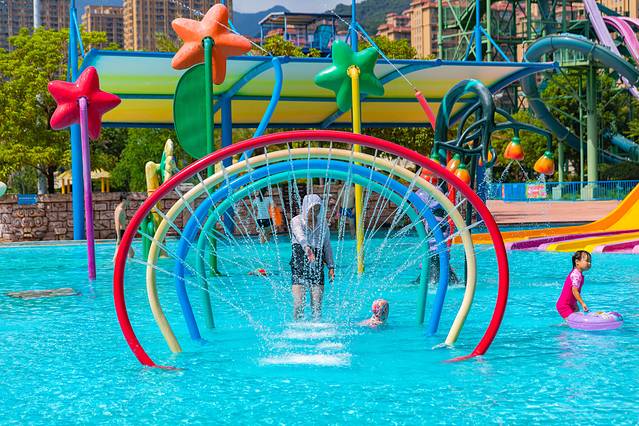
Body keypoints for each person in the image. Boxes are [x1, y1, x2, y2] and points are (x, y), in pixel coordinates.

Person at [290, 194, 335, 321]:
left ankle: (317, 327)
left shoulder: (323, 224)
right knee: (299, 304)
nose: (314, 212)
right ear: (305, 208)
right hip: (299, 264)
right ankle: (297, 327)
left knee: (317, 306)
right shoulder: (297, 221)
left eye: (317, 209)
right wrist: (307, 248)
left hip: (317, 265)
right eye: (311, 209)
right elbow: (299, 235)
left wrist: (331, 266)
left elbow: (327, 246)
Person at [556, 250, 591, 319]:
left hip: (572, 304)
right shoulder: (575, 275)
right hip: (564, 305)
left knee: (577, 321)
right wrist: (582, 303)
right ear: (577, 262)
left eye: (590, 261)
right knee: (571, 322)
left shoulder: (578, 274)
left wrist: (575, 303)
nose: (589, 263)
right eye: (587, 261)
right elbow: (574, 291)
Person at [114, 193, 134, 261]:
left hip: (122, 233)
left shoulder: (120, 208)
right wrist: (119, 237)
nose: (129, 201)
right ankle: (115, 265)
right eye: (128, 199)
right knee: (130, 253)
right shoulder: (120, 210)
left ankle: (126, 264)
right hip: (121, 233)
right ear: (123, 200)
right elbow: (117, 223)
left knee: (130, 253)